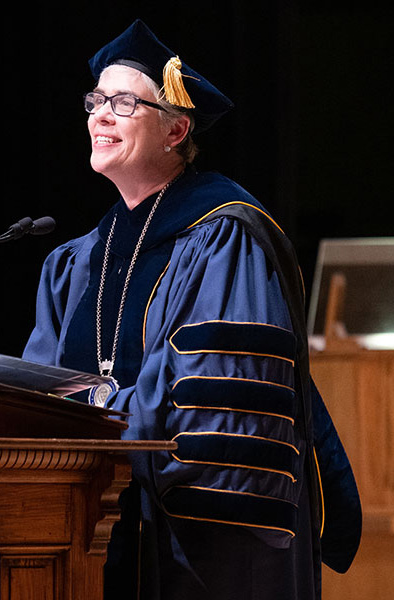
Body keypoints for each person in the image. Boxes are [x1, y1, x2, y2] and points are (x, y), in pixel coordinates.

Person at [23, 19, 361, 600]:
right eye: (96, 100)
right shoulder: (77, 262)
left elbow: (215, 401)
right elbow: (36, 388)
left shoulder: (227, 237)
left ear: (177, 129)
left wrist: (94, 406)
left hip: (193, 548)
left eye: (124, 101)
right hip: (88, 535)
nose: (100, 114)